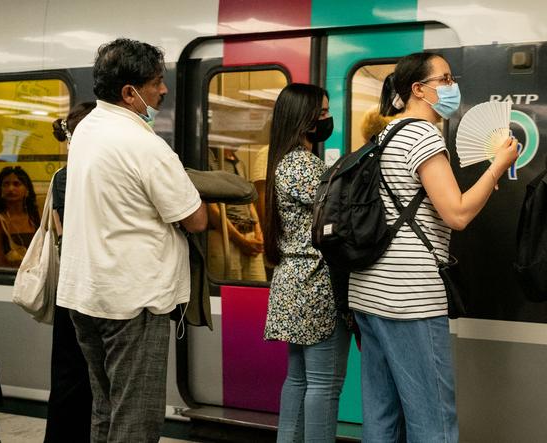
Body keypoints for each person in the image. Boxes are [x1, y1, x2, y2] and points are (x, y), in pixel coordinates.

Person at [347, 52, 519, 442]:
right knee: (432, 417)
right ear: (418, 89)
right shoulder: (423, 135)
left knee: (382, 415)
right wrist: (498, 163)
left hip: (369, 294)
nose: (452, 86)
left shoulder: (386, 134)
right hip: (410, 300)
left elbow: (424, 206)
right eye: (444, 79)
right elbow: (456, 214)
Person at [56, 38, 207, 442]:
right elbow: (195, 219)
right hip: (132, 301)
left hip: (86, 295)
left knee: (105, 411)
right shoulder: (144, 144)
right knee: (136, 420)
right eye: (157, 82)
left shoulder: (87, 128)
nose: (163, 90)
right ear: (129, 92)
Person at [262, 84, 350, 442]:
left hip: (291, 281)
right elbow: (343, 212)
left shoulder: (283, 161)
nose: (327, 119)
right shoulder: (304, 165)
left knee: (298, 379)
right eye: (323, 112)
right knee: (324, 385)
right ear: (304, 119)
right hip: (315, 282)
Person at [44, 101, 95, 443]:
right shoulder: (78, 175)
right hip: (87, 286)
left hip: (70, 283)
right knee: (85, 375)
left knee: (67, 374)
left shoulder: (63, 176)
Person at [207, 147, 265, 281]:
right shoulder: (211, 160)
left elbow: (249, 201)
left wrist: (258, 232)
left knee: (258, 288)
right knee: (230, 290)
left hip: (249, 234)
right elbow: (212, 209)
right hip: (225, 236)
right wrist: (240, 240)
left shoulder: (240, 163)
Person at [0, 166, 40, 267]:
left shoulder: (32, 218)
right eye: (6, 184)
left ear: (26, 190)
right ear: (0, 190)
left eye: (16, 184)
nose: (10, 189)